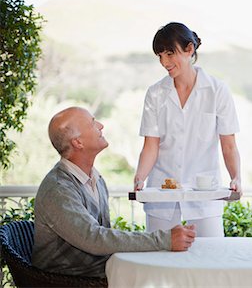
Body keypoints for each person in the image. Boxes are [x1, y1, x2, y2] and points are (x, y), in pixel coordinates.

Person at [32, 106, 196, 278]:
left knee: (168, 270)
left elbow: (101, 238)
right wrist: (165, 240)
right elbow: (94, 239)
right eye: (92, 123)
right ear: (78, 143)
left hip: (99, 271)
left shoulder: (96, 178)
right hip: (66, 280)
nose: (101, 126)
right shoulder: (58, 189)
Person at [134, 22, 241, 237]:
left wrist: (236, 176)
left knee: (211, 258)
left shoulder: (217, 90)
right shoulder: (155, 93)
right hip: (162, 194)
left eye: (170, 54)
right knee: (160, 259)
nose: (164, 62)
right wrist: (140, 177)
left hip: (204, 191)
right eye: (160, 56)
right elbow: (151, 145)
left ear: (189, 49)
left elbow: (228, 144)